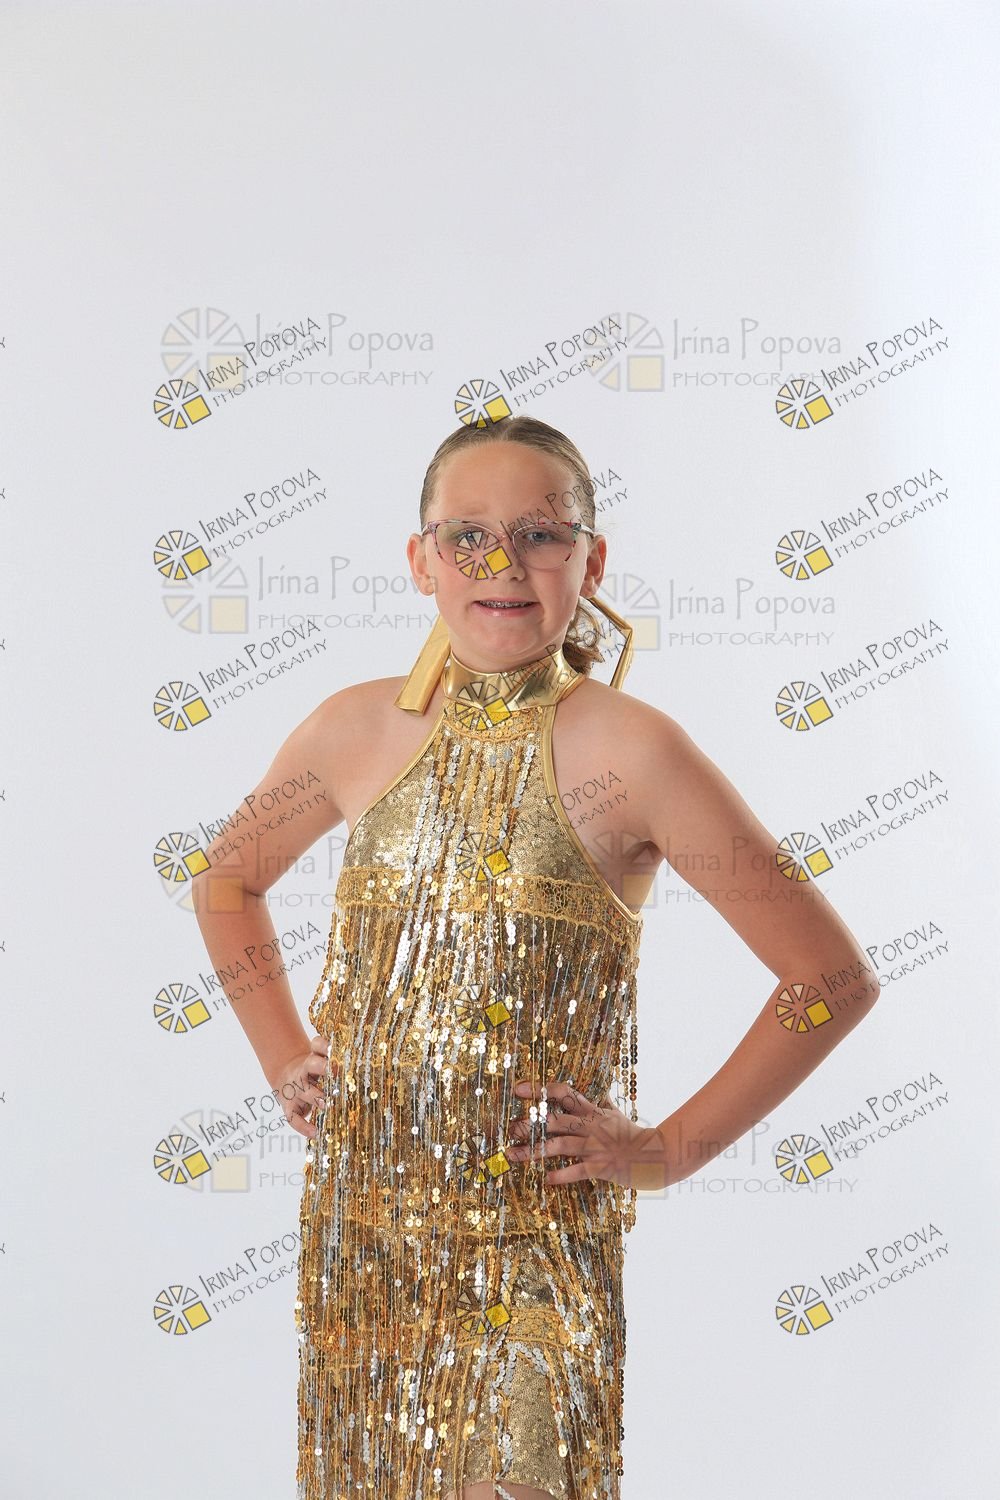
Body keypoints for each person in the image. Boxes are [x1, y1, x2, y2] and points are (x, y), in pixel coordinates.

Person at [192, 414, 880, 1500]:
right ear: (419, 560)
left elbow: (828, 982)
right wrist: (283, 1051)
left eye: (541, 535)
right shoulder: (352, 729)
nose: (501, 564)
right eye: (466, 536)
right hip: (367, 1230)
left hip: (535, 1239)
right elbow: (226, 880)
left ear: (591, 563)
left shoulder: (633, 749)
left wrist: (664, 1152)